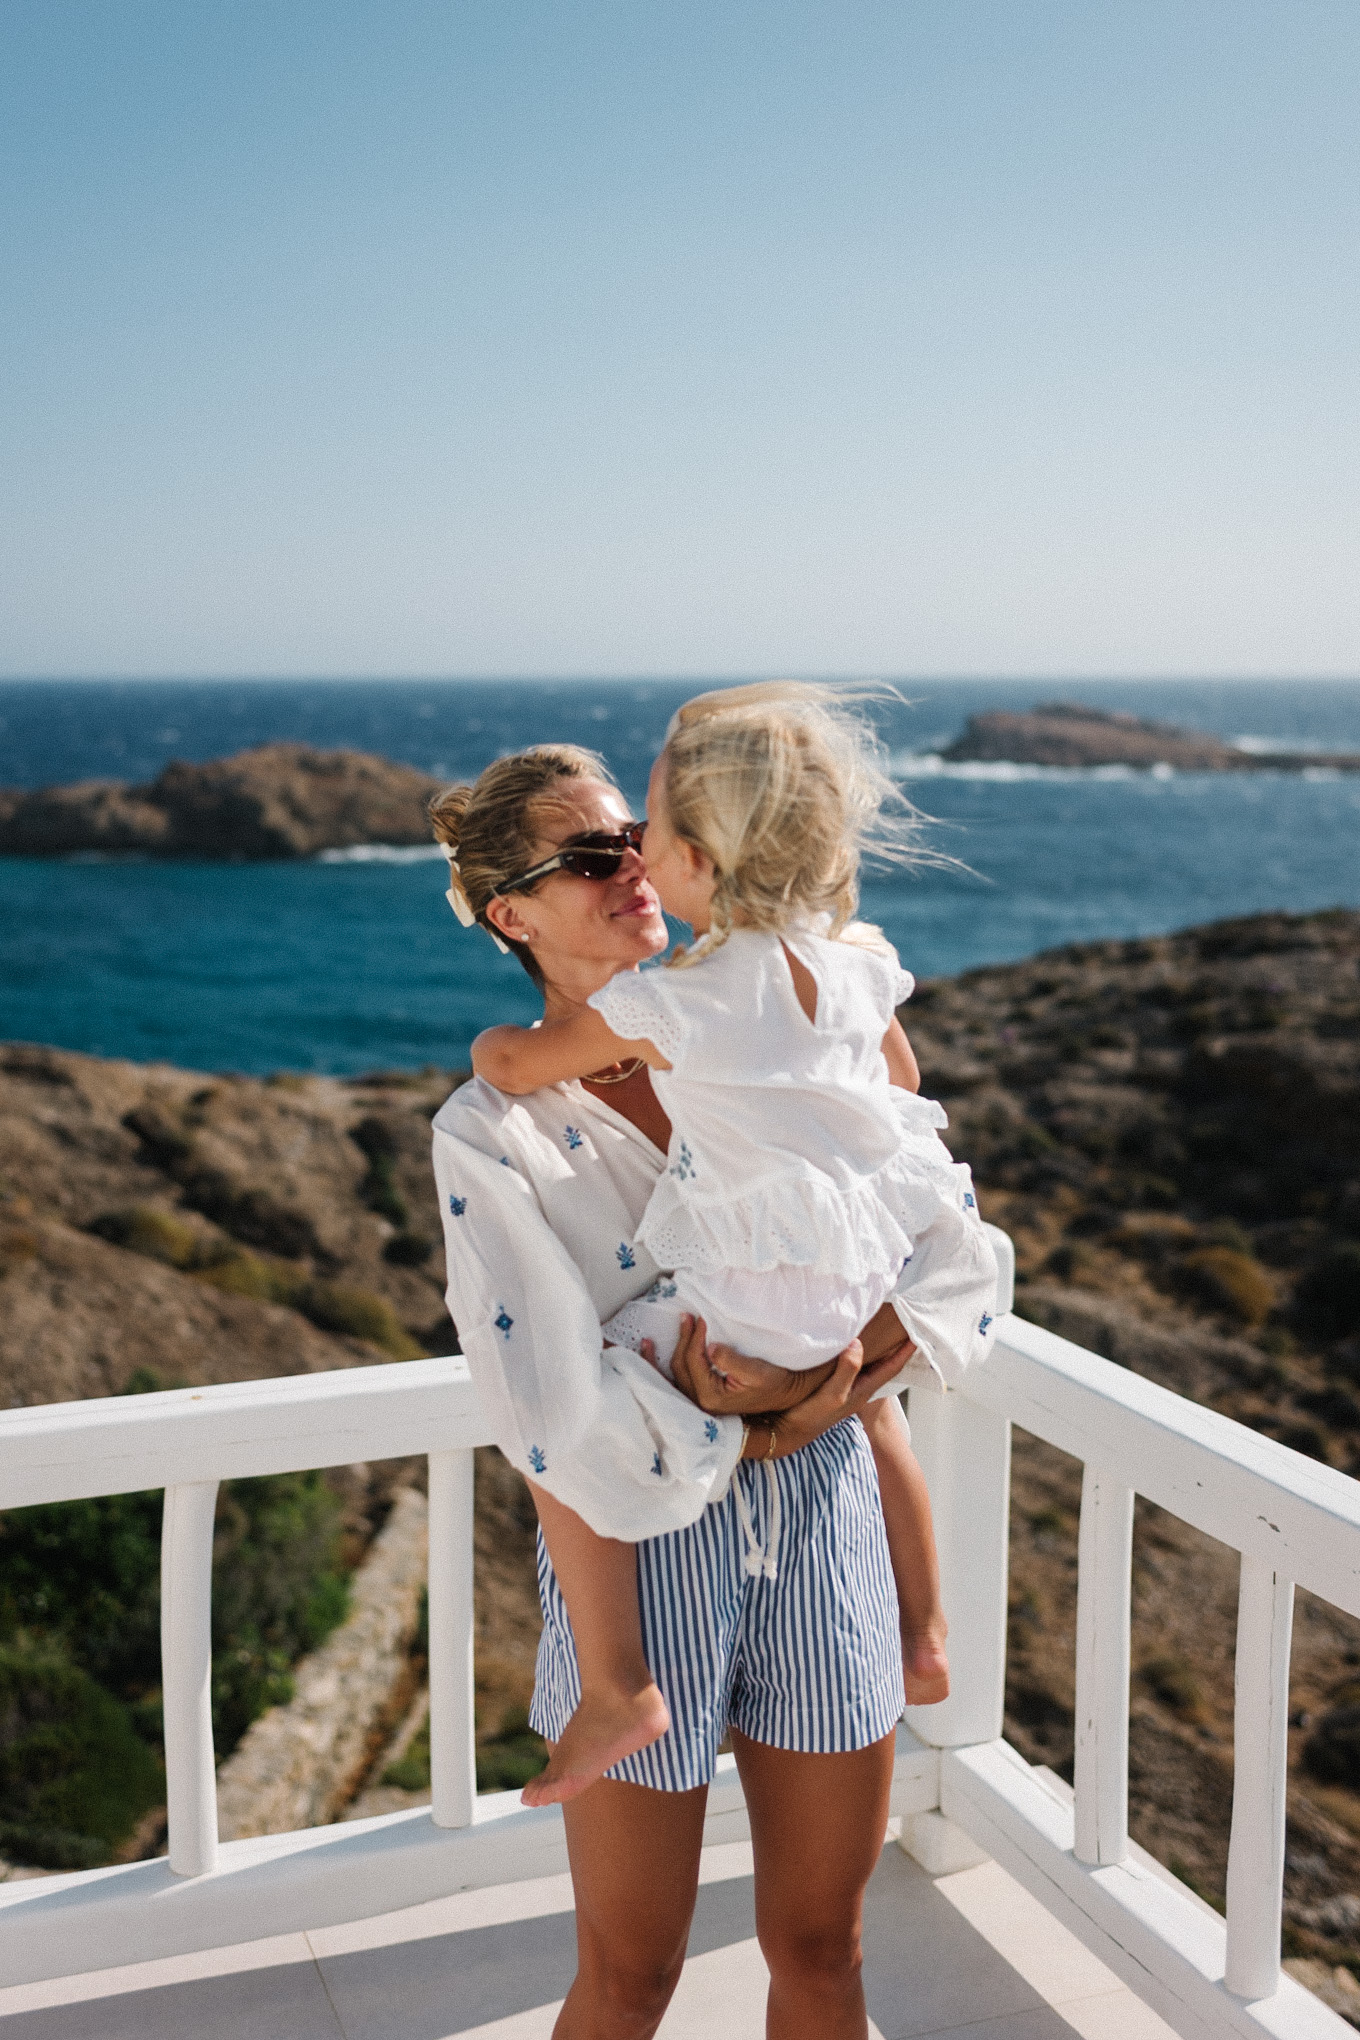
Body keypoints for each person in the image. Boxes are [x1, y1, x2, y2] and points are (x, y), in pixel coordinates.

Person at [430, 734, 994, 2040]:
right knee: (633, 1977)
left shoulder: (763, 1027)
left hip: (828, 1515)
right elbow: (546, 1388)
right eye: (590, 856)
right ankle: (617, 1691)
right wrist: (772, 1417)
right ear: (511, 914)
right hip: (637, 1546)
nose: (632, 867)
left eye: (636, 839)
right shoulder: (494, 1131)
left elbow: (934, 1231)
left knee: (824, 1951)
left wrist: (825, 1387)